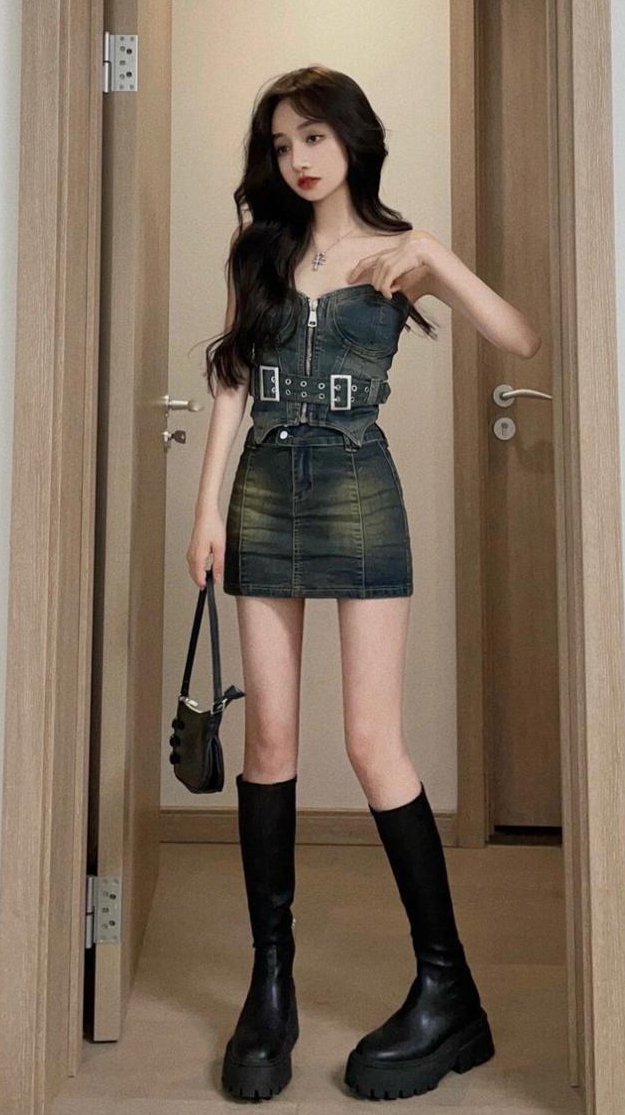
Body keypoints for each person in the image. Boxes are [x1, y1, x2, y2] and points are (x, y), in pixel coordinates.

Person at [187, 65, 541, 1101]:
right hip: (262, 496)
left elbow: (517, 336)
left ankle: (448, 989)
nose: (298, 159)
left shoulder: (401, 252)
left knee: (372, 742)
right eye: (281, 143)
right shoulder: (259, 250)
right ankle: (271, 987)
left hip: (358, 494)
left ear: (351, 140)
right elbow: (232, 382)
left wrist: (435, 255)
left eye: (314, 137)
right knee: (269, 741)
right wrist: (206, 509)